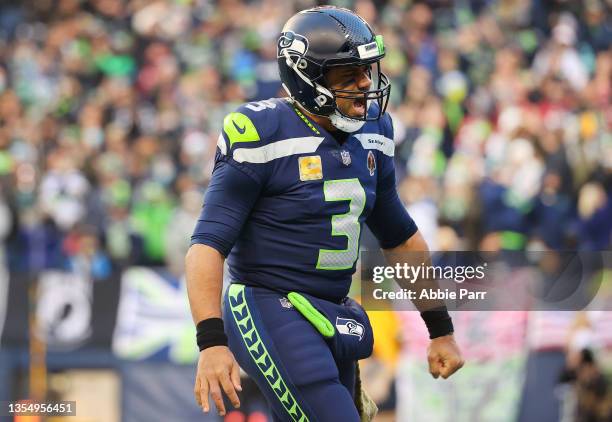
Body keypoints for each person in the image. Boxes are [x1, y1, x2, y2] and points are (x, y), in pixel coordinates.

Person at [186, 6, 464, 421]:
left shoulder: (375, 133)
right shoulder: (261, 132)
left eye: (367, 69)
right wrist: (211, 342)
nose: (365, 82)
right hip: (266, 302)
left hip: (333, 308)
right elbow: (206, 245)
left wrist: (440, 329)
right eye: (348, 73)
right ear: (307, 77)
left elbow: (400, 236)